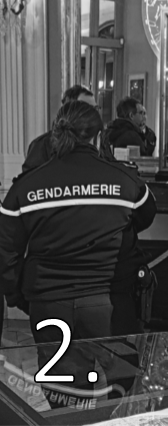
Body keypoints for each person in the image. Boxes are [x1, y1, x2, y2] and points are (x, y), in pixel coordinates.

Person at [0, 100, 157, 343]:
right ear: (98, 138)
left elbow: (7, 249)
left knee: (58, 369)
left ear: (55, 136)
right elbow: (145, 216)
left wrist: (17, 296)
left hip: (48, 302)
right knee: (118, 366)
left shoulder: (26, 187)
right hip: (109, 301)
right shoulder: (125, 180)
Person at [22, 85, 98, 172]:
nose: (93, 113)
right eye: (85, 108)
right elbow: (31, 178)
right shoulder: (41, 146)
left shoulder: (98, 140)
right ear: (68, 108)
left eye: (95, 108)